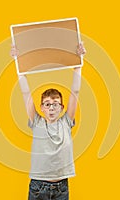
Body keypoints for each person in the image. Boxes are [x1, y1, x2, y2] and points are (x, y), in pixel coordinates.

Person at [11, 43, 86, 200]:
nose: (51, 108)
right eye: (47, 104)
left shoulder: (66, 121)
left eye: (55, 104)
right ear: (42, 107)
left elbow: (75, 92)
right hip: (39, 186)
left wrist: (79, 64)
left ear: (62, 107)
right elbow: (25, 93)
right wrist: (18, 62)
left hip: (62, 187)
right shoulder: (37, 122)